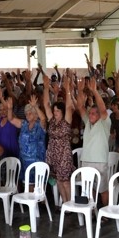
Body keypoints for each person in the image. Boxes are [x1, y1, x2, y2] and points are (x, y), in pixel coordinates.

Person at [76, 77, 111, 206]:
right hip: (86, 160)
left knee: (103, 189)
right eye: (90, 113)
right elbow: (80, 107)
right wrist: (80, 91)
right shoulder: (87, 123)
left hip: (100, 161)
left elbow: (102, 109)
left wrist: (95, 91)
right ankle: (93, 208)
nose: (90, 115)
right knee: (90, 187)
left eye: (93, 113)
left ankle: (105, 211)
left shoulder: (104, 123)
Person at [43, 73, 75, 205]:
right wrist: (45, 87)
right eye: (54, 110)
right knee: (59, 181)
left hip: (64, 154)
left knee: (65, 181)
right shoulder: (51, 121)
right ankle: (65, 204)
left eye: (57, 111)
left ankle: (71, 204)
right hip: (53, 154)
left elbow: (68, 106)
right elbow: (45, 104)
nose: (54, 112)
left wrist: (67, 89)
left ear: (62, 112)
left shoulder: (66, 121)